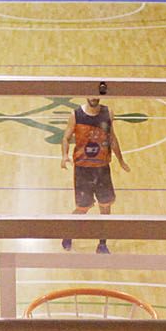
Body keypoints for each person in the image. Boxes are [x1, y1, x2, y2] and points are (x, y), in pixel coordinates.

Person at [59, 91, 128, 253]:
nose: (93, 98)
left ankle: (102, 244)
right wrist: (64, 155)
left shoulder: (108, 113)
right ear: (86, 96)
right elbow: (65, 137)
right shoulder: (75, 115)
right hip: (83, 169)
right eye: (90, 95)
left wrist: (120, 160)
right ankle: (68, 233)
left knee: (105, 206)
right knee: (83, 208)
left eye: (96, 95)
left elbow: (112, 138)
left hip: (102, 168)